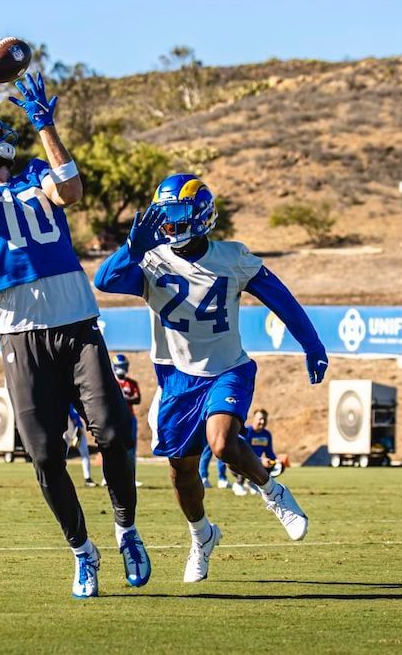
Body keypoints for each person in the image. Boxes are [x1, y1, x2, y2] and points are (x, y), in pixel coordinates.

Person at [0, 65, 147, 598]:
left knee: (115, 432)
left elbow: (71, 187)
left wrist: (46, 127)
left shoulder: (32, 173)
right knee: (46, 455)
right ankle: (83, 551)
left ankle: (126, 531)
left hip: (75, 320)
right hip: (20, 332)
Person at [94, 174, 328, 583]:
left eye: (177, 215)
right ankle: (202, 536)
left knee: (221, 443)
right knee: (180, 473)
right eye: (163, 216)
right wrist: (131, 248)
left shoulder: (231, 258)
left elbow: (282, 299)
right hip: (177, 381)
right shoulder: (151, 260)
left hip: (227, 369)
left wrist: (313, 345)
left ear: (202, 215)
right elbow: (104, 280)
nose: (168, 225)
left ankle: (273, 493)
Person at [111, 355, 143, 488]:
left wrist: (122, 399)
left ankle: (131, 478)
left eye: (124, 366)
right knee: (111, 448)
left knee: (130, 450)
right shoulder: (111, 382)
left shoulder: (132, 383)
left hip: (129, 418)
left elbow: (137, 399)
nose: (122, 369)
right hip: (113, 418)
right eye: (120, 366)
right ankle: (109, 478)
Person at [231, 408, 278, 496]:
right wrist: (260, 460)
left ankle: (254, 484)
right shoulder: (246, 432)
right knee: (246, 462)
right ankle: (238, 484)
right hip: (239, 464)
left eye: (265, 419)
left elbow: (270, 453)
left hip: (257, 463)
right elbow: (241, 453)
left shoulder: (267, 434)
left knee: (277, 466)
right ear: (254, 419)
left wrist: (277, 461)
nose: (263, 421)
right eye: (260, 419)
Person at [65, 404, 94, 486]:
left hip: (77, 427)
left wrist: (78, 426)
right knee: (62, 454)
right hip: (66, 427)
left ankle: (88, 478)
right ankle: (59, 478)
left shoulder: (76, 399)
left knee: (85, 453)